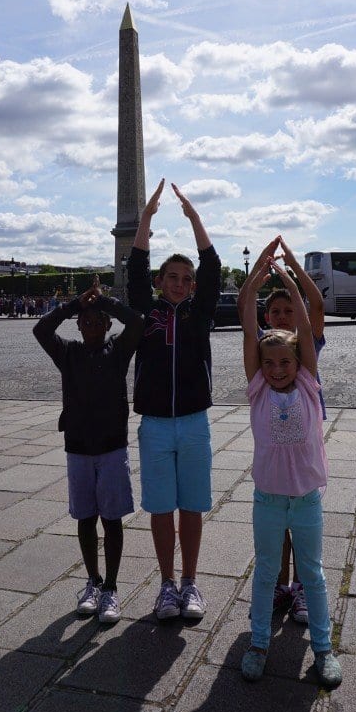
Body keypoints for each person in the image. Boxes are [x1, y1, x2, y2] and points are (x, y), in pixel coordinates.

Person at [240, 253, 342, 688]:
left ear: (299, 363)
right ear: (259, 368)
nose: (278, 369)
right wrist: (257, 277)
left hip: (305, 500)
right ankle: (259, 642)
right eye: (270, 364)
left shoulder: (306, 380)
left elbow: (304, 323)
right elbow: (248, 323)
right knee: (265, 572)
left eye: (285, 362)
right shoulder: (259, 387)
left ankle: (323, 648)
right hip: (268, 498)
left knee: (313, 574)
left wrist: (286, 277)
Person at [127, 178, 221, 621]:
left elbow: (213, 264)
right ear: (160, 282)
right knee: (162, 507)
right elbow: (136, 265)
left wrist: (194, 218)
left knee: (193, 506)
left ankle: (190, 582)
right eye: (173, 278)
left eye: (187, 279)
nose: (181, 284)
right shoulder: (147, 310)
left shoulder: (200, 313)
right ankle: (166, 584)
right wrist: (145, 219)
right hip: (157, 425)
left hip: (194, 421)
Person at [33, 278, 143, 623]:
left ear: (108, 326)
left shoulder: (119, 350)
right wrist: (74, 305)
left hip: (111, 447)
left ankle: (110, 587)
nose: (92, 327)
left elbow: (137, 322)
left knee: (111, 520)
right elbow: (41, 329)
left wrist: (105, 301)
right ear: (78, 325)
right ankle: (92, 582)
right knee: (85, 518)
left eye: (98, 323)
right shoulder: (68, 353)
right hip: (78, 447)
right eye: (86, 322)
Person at [237, 235, 326, 626]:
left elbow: (314, 310)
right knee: (278, 533)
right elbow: (245, 312)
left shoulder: (305, 363)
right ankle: (279, 585)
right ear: (268, 316)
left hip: (303, 444)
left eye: (291, 310)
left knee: (304, 532)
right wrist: (260, 268)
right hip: (274, 463)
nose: (284, 316)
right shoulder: (262, 359)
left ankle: (303, 587)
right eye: (276, 311)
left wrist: (289, 267)